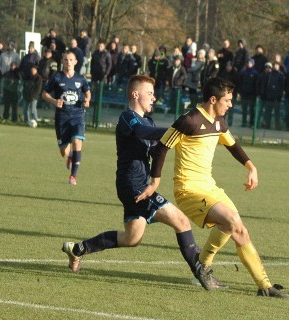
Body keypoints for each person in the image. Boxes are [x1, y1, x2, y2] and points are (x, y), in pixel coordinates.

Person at [60, 75, 214, 290]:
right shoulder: (128, 117)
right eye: (150, 93)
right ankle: (203, 274)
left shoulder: (149, 121)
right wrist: (177, 130)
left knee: (131, 238)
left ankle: (77, 249)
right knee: (181, 221)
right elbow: (144, 133)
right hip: (134, 185)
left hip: (136, 184)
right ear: (135, 94)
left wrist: (183, 143)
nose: (154, 98)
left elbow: (155, 147)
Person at [150, 77, 289, 299]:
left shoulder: (219, 122)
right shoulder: (190, 121)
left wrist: (251, 167)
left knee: (237, 227)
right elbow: (161, 148)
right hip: (188, 190)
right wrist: (155, 181)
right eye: (228, 100)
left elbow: (232, 145)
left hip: (209, 187)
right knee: (231, 220)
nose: (231, 105)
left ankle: (264, 286)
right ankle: (203, 267)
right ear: (213, 99)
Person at [42, 51, 91, 185]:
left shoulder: (81, 78)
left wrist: (87, 100)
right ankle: (70, 156)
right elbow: (44, 94)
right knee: (64, 151)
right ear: (62, 62)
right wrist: (54, 101)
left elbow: (88, 93)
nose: (68, 62)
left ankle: (73, 176)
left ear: (75, 62)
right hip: (62, 117)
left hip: (78, 115)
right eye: (65, 60)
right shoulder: (56, 77)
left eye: (71, 60)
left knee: (76, 141)